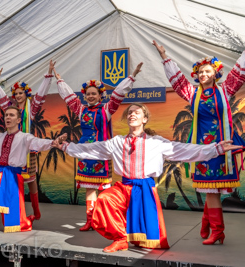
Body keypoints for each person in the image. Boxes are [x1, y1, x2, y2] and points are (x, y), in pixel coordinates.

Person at [52, 103, 241, 252]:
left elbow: (184, 150)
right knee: (104, 199)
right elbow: (90, 149)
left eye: (137, 112)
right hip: (124, 186)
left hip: (144, 188)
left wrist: (215, 148)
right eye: (129, 113)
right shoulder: (116, 142)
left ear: (145, 119)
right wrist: (65, 147)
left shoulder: (156, 142)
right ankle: (120, 239)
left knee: (150, 243)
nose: (132, 114)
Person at [152, 40, 245, 245]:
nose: (203, 74)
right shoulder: (192, 94)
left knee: (213, 189)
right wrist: (164, 55)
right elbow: (176, 81)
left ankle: (214, 228)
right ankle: (213, 227)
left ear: (215, 74)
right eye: (200, 72)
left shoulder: (226, 89)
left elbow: (240, 70)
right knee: (210, 188)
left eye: (207, 71)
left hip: (224, 147)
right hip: (204, 149)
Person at [52, 62, 143, 231]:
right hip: (85, 155)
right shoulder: (80, 110)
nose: (91, 96)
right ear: (85, 96)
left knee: (104, 189)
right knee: (89, 188)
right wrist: (60, 81)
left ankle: (105, 219)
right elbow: (68, 96)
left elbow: (118, 94)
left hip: (100, 154)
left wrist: (132, 76)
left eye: (94, 93)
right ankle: (91, 220)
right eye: (88, 94)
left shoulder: (106, 109)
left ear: (100, 95)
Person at [0, 60, 55, 221]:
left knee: (31, 180)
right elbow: (1, 96)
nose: (18, 96)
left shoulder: (31, 109)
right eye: (16, 94)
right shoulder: (10, 109)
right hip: (13, 150)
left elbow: (41, 94)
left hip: (26, 149)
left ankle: (36, 211)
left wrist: (48, 75)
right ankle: (18, 214)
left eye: (21, 93)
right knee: (16, 180)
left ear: (26, 94)